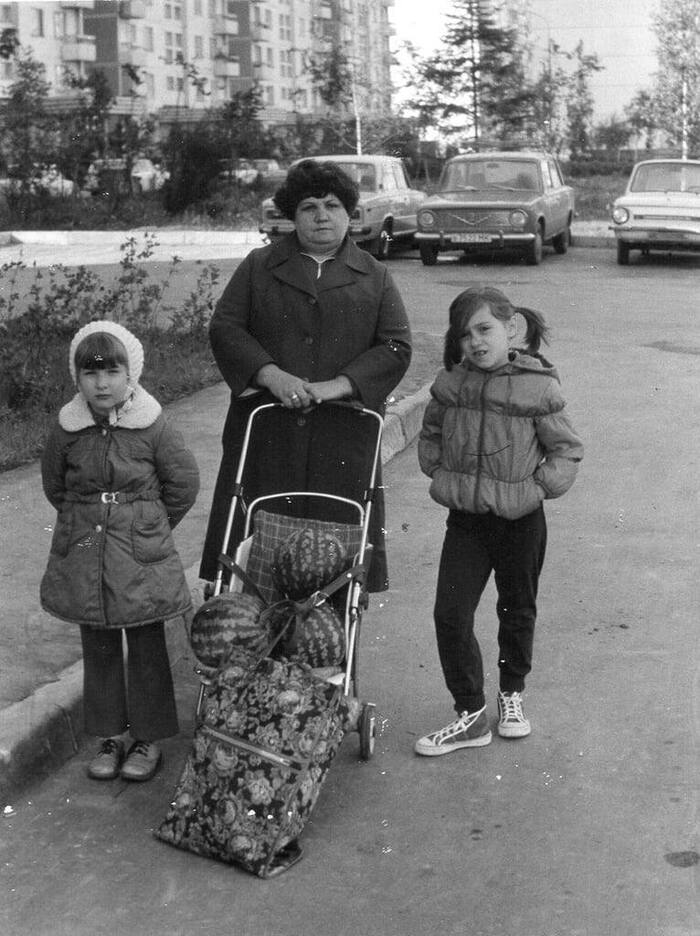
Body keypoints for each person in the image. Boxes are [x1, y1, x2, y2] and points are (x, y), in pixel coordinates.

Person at [199, 159, 412, 593]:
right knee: (255, 560)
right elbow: (226, 328)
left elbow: (395, 346)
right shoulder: (259, 267)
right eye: (308, 206)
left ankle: (333, 655)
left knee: (335, 562)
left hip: (342, 435)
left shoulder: (375, 276)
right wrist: (271, 375)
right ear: (292, 215)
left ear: (349, 214)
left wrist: (339, 386)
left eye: (332, 205)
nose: (320, 215)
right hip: (267, 433)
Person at [414, 286, 583, 756]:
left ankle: (511, 695)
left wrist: (536, 490)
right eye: (465, 334)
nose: (475, 342)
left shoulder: (539, 386)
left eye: (485, 329)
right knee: (450, 614)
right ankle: (470, 714)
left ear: (511, 329)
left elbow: (566, 450)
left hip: (520, 523)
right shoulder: (450, 385)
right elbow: (430, 436)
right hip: (466, 523)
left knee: (517, 609)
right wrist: (440, 471)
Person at [40, 320, 200, 782]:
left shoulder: (152, 425)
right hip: (87, 550)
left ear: (132, 374)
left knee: (146, 644)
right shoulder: (68, 428)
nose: (102, 383)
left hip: (141, 553)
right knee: (99, 642)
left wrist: (148, 526)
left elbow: (183, 482)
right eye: (90, 374)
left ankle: (148, 740)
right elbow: (56, 486)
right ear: (78, 379)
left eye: (112, 372)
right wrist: (89, 523)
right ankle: (109, 735)